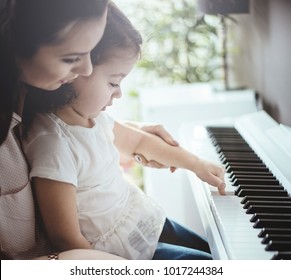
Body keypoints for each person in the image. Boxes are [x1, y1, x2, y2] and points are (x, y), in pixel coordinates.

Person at [23, 3, 226, 260]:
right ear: (75, 71)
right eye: (113, 82)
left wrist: (195, 164)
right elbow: (64, 237)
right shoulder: (53, 143)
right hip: (120, 253)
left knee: (220, 253)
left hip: (143, 220)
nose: (118, 92)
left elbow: (139, 142)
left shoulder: (95, 118)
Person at [0, 0, 180, 260]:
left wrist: (121, 132)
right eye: (71, 58)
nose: (86, 70)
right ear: (15, 43)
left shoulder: (33, 86)